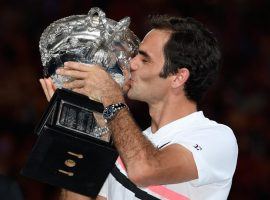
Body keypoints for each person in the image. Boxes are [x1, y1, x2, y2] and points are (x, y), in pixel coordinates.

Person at [40, 15, 238, 200]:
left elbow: (143, 170)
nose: (131, 64)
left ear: (178, 77)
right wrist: (73, 128)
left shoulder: (215, 138)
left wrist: (110, 94)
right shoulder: (124, 141)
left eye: (144, 59)